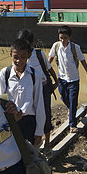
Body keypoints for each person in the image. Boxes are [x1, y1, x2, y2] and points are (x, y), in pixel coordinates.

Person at [0, 38, 45, 147]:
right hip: (9, 121)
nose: (19, 61)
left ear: (29, 56)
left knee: (28, 155)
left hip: (28, 122)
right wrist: (10, 111)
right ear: (10, 55)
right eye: (15, 57)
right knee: (8, 152)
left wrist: (39, 131)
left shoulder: (34, 75)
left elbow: (39, 103)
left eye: (23, 57)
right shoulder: (5, 73)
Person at [17, 29, 58, 157]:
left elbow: (49, 69)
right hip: (28, 90)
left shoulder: (39, 55)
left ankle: (47, 144)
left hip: (44, 88)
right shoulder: (18, 58)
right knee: (30, 116)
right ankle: (32, 145)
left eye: (26, 44)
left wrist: (56, 82)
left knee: (45, 114)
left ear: (32, 44)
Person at [48, 25, 87, 133]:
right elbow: (50, 59)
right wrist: (44, 71)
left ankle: (72, 124)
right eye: (61, 38)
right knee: (63, 96)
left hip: (74, 79)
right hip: (62, 78)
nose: (63, 40)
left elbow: (82, 60)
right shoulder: (56, 46)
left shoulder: (75, 47)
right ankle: (71, 109)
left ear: (70, 37)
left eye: (65, 38)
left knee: (73, 102)